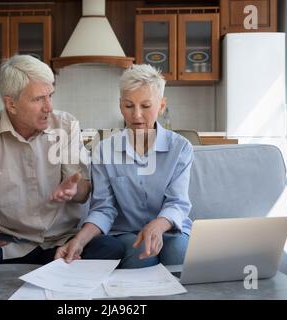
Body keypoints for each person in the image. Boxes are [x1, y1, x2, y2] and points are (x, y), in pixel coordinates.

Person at [0, 55, 124, 272]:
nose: (49, 107)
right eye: (38, 99)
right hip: (4, 242)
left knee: (111, 248)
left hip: (60, 241)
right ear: (11, 104)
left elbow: (83, 191)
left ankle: (56, 274)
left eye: (50, 96)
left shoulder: (66, 126)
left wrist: (74, 189)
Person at [55, 64, 193, 268]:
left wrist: (157, 225)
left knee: (179, 253)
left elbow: (178, 203)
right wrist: (79, 240)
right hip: (126, 234)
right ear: (121, 106)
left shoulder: (180, 148)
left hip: (169, 230)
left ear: (161, 105)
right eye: (129, 106)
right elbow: (103, 208)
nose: (137, 115)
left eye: (146, 106)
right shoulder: (104, 150)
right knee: (141, 256)